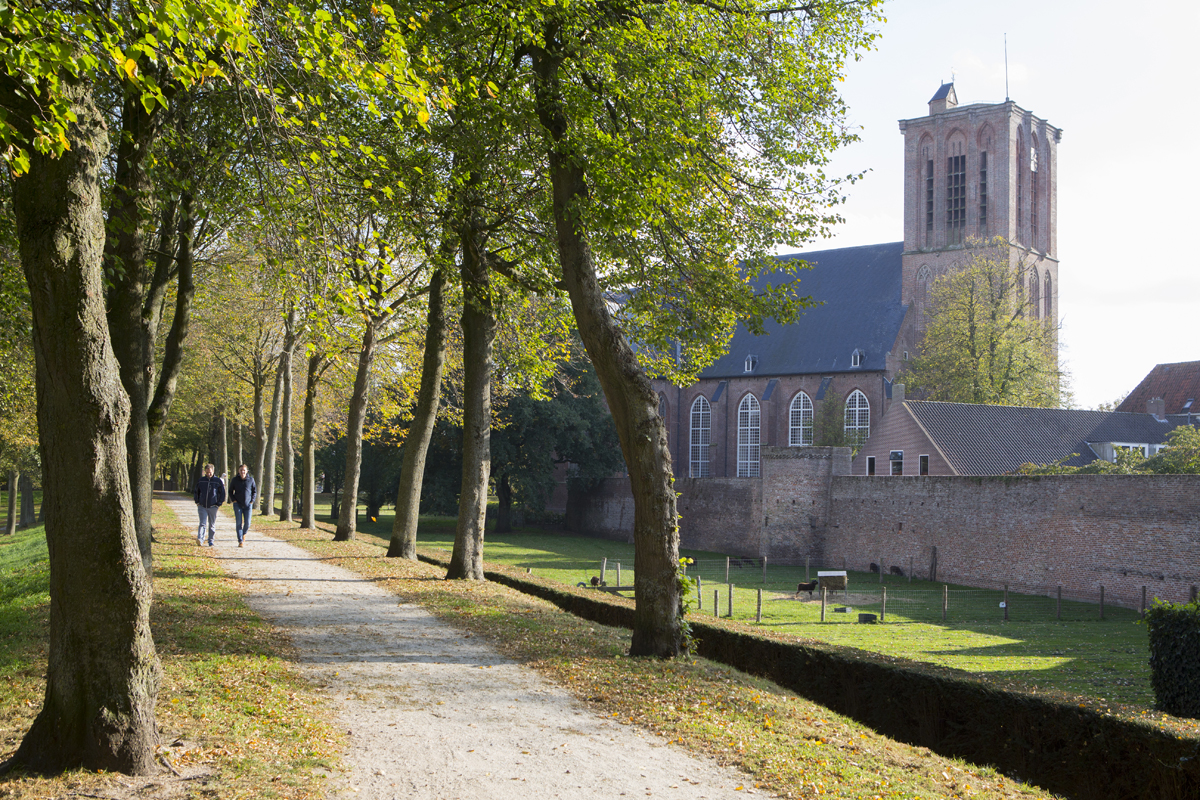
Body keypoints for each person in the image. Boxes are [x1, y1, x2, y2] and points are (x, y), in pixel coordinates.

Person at [194, 463, 225, 546]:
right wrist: (197, 502)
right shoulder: (201, 480)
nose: (208, 474)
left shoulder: (217, 481)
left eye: (210, 472)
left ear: (213, 471)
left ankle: (211, 540)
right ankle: (200, 539)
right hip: (202, 506)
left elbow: (222, 493)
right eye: (207, 472)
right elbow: (196, 491)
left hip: (213, 506)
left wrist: (219, 503)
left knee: (212, 524)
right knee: (202, 523)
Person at [228, 464, 258, 548]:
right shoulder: (235, 480)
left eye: (244, 470)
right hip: (237, 504)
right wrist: (233, 500)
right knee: (238, 523)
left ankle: (243, 533)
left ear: (247, 471)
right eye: (241, 470)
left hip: (248, 505)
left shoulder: (251, 480)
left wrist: (252, 501)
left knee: (247, 523)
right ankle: (240, 540)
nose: (242, 472)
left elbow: (254, 491)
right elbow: (230, 491)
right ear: (239, 471)